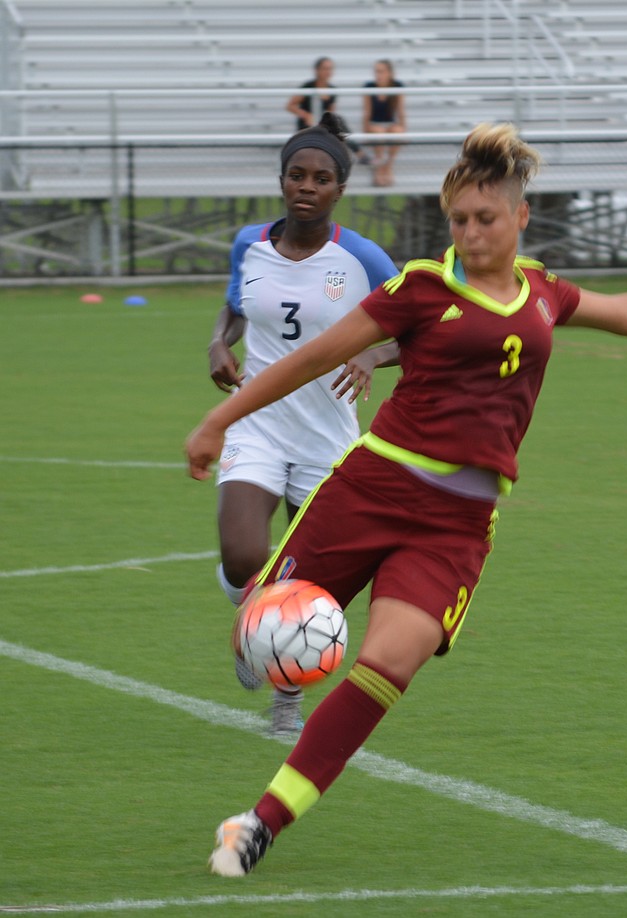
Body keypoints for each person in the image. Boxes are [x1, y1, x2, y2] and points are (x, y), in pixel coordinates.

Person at [185, 122, 627, 878]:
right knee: (265, 637)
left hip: (456, 524)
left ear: (519, 217)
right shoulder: (421, 289)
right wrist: (218, 419)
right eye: (460, 221)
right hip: (371, 488)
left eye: (486, 219)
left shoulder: (542, 292)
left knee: (384, 667)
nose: (472, 233)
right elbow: (315, 357)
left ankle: (261, 821)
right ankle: (259, 634)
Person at [208, 111, 398, 734]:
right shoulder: (250, 243)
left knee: (309, 584)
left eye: (320, 177)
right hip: (258, 423)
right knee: (243, 557)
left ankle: (286, 702)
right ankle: (248, 620)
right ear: (282, 180)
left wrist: (373, 351)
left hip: (329, 437)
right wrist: (219, 344)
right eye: (296, 174)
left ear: (340, 189)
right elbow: (237, 306)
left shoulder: (362, 257)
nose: (306, 186)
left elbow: (423, 324)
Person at [285, 57, 371, 166]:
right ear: (317, 70)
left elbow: (331, 112)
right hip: (307, 125)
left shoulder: (332, 89)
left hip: (322, 124)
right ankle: (359, 154)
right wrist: (306, 115)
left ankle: (351, 155)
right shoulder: (308, 87)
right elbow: (290, 106)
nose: (328, 72)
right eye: (325, 68)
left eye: (330, 69)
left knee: (339, 123)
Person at [362, 59, 406, 187]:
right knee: (379, 132)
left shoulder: (397, 86)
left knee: (398, 131)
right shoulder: (369, 87)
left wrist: (404, 130)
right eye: (376, 72)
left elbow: (401, 111)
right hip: (374, 124)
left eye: (381, 71)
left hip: (389, 124)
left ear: (390, 73)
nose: (378, 75)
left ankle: (388, 166)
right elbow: (367, 112)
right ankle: (380, 168)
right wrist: (365, 131)